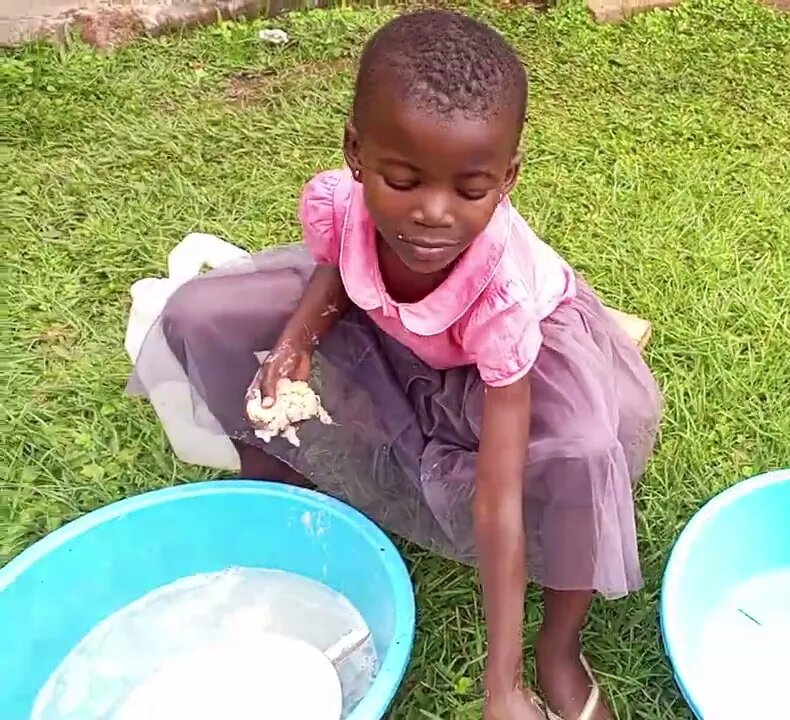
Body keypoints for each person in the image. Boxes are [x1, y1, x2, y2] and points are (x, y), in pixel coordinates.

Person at [127, 10, 661, 720]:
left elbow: (497, 504)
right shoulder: (345, 203)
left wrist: (501, 686)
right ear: (356, 153)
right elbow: (341, 263)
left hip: (503, 342)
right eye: (403, 180)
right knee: (202, 314)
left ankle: (558, 650)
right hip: (397, 320)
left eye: (471, 190)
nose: (433, 214)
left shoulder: (499, 298)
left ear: (507, 177)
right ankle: (293, 508)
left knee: (581, 452)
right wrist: (296, 341)